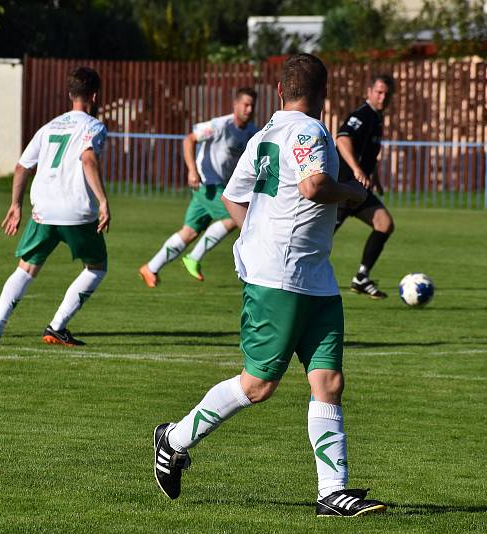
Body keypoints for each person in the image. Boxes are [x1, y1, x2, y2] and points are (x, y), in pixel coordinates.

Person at [152, 54, 387, 518]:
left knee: (328, 380)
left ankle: (331, 492)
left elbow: (233, 198)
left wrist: (257, 234)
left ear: (280, 91)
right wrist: (354, 193)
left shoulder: (262, 134)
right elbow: (314, 185)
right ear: (323, 94)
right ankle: (173, 440)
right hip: (280, 278)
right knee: (259, 385)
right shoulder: (310, 130)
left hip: (314, 275)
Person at [0, 67, 110, 347]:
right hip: (77, 211)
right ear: (95, 96)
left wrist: (15, 204)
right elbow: (88, 159)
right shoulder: (93, 126)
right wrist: (102, 200)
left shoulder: (49, 127)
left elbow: (21, 166)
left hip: (44, 210)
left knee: (25, 269)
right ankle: (57, 326)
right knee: (97, 267)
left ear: (69, 94)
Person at [139, 88, 258, 286]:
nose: (249, 109)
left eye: (252, 105)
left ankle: (151, 268)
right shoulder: (220, 125)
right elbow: (189, 139)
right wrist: (192, 170)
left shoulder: (252, 132)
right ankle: (194, 257)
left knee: (189, 232)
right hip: (207, 184)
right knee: (234, 215)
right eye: (245, 104)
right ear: (235, 104)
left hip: (219, 186)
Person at [334, 75, 396, 299]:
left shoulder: (377, 118)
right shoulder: (362, 114)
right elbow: (342, 139)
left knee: (384, 224)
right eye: (379, 92)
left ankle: (361, 277)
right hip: (343, 186)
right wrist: (357, 169)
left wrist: (374, 176)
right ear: (369, 92)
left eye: (387, 94)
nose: (383, 97)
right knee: (319, 237)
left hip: (359, 189)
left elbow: (370, 154)